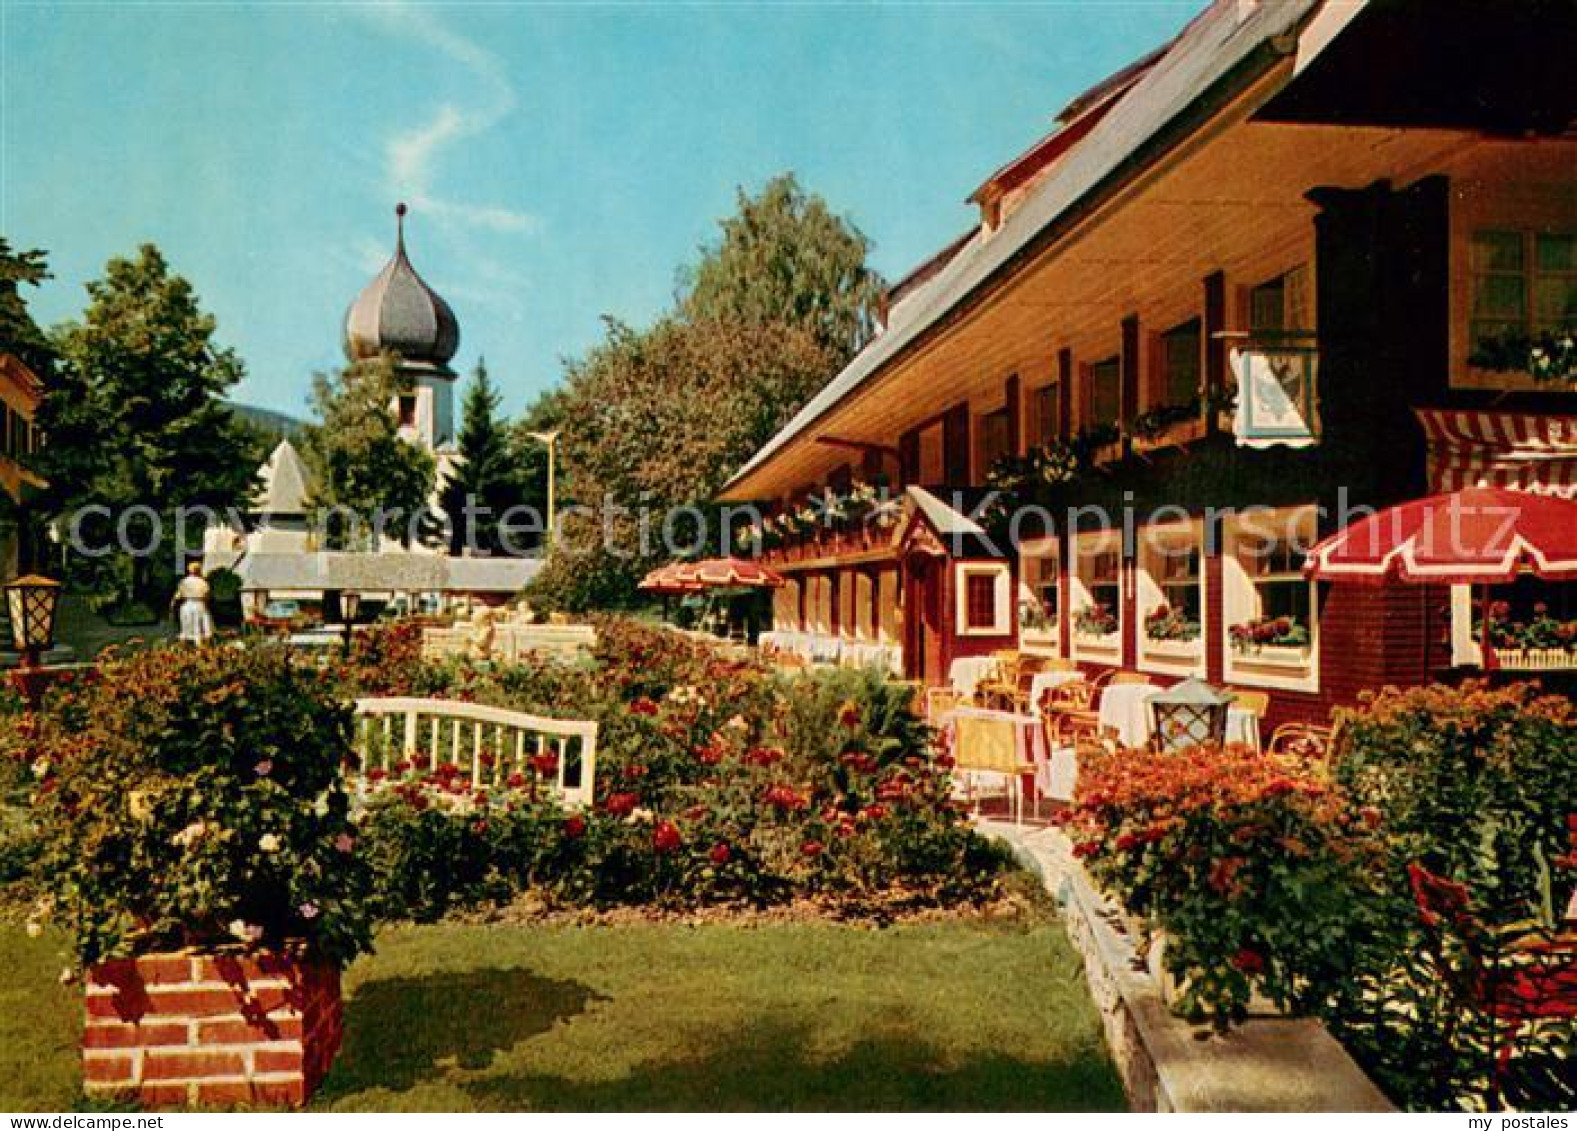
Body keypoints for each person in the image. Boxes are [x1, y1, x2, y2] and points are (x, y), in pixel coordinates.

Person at [171, 562, 214, 644]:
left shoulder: (184, 581)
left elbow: (178, 595)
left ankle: (183, 647)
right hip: (199, 604)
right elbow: (207, 596)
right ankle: (203, 647)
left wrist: (172, 605)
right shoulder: (203, 582)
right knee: (203, 627)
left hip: (187, 605)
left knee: (186, 627)